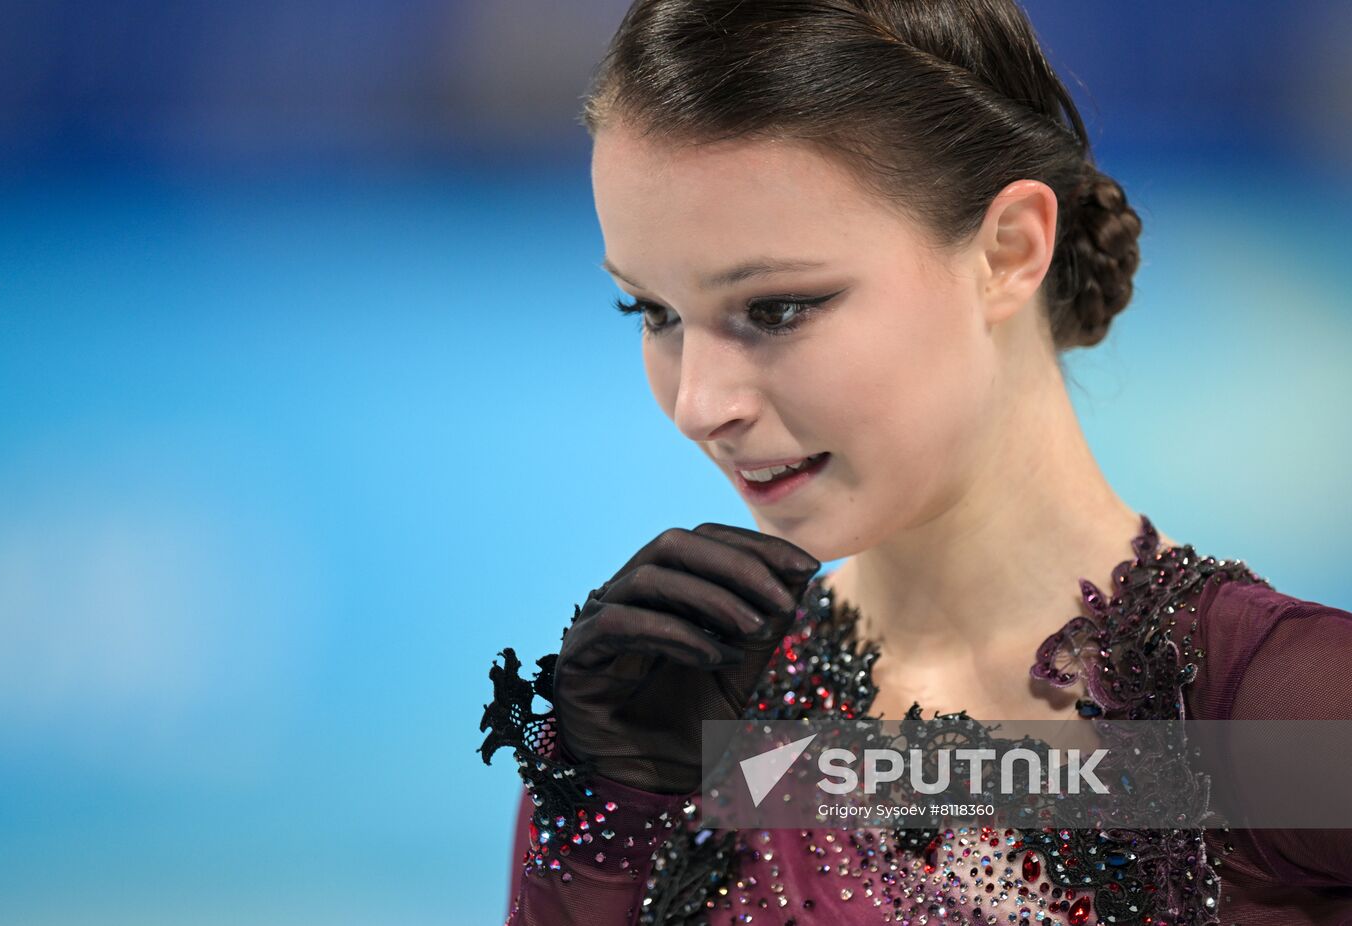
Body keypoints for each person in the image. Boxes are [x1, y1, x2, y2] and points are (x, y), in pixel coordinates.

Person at [477, 1, 1352, 923]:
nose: (699, 404)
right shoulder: (658, 735)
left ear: (1008, 252)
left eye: (776, 308)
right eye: (651, 313)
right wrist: (607, 832)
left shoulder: (1279, 719)